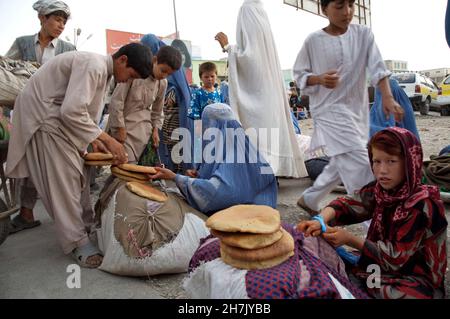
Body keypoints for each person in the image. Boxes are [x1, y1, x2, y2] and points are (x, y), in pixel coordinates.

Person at [6, 43, 153, 268]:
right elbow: (71, 111)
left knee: (80, 176)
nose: (128, 81)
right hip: (45, 118)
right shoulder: (93, 65)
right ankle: (77, 241)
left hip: (59, 120)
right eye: (131, 75)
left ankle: (85, 225)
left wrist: (95, 140)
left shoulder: (104, 72)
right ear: (122, 60)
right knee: (64, 181)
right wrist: (107, 139)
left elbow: (83, 113)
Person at [297, 128, 448, 299]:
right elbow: (350, 204)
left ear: (409, 162)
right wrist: (321, 220)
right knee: (321, 250)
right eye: (376, 161)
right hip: (383, 266)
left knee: (392, 292)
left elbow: (396, 258)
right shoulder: (381, 190)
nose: (382, 170)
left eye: (391, 161)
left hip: (416, 275)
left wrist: (350, 239)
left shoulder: (422, 204)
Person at [293, 0, 404, 213]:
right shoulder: (313, 41)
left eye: (351, 5)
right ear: (324, 9)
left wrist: (388, 97)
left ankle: (310, 198)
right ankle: (370, 219)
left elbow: (378, 67)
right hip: (327, 110)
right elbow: (299, 75)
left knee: (342, 158)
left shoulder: (363, 35)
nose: (348, 12)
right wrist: (318, 79)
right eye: (339, 6)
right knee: (360, 164)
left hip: (356, 111)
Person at [6, 0, 76, 234]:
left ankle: (69, 216)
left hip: (53, 115)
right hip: (26, 112)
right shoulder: (23, 43)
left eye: (64, 21)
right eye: (56, 19)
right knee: (26, 161)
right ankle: (26, 212)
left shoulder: (68, 49)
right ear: (42, 19)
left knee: (51, 165)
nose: (61, 25)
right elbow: (6, 71)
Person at [215, 0, 307, 178]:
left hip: (259, 91)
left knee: (259, 134)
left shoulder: (248, 9)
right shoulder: (260, 9)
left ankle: (263, 174)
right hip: (268, 88)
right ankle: (270, 172)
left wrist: (228, 47)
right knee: (269, 133)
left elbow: (251, 57)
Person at [150, 103, 278, 216]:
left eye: (207, 125)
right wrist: (197, 176)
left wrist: (175, 177)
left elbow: (215, 193)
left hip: (249, 219)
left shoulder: (233, 157)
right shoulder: (240, 146)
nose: (204, 130)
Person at [108, 44, 182, 164]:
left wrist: (155, 130)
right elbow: (117, 102)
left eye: (168, 74)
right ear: (154, 60)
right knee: (122, 165)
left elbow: (158, 110)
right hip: (124, 128)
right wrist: (119, 128)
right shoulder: (135, 72)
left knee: (134, 170)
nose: (164, 76)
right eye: (163, 70)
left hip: (143, 132)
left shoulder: (162, 83)